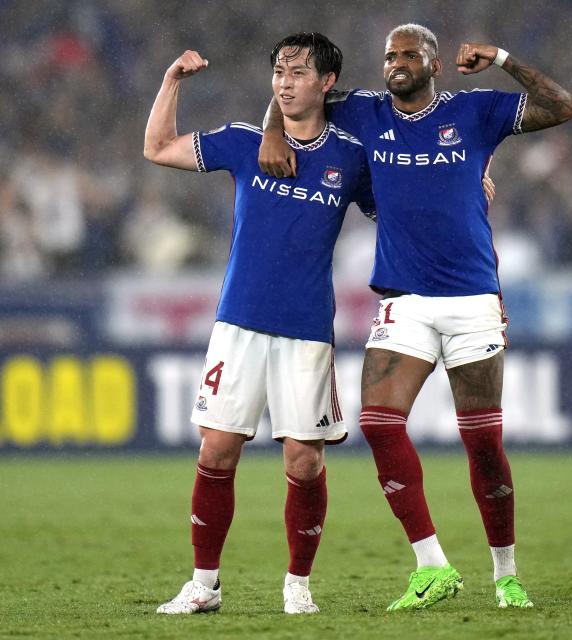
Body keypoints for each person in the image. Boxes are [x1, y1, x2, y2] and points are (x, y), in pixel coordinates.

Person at [259, 23, 572, 610]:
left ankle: (505, 573)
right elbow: (294, 94)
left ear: (433, 64)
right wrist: (272, 129)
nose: (396, 64)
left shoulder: (476, 112)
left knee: (483, 445)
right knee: (379, 422)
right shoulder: (364, 111)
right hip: (404, 298)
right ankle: (431, 564)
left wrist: (504, 57)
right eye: (389, 56)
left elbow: (562, 105)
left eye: (409, 55)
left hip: (472, 300)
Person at [143, 33, 377, 614]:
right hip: (239, 323)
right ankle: (204, 583)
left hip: (306, 331)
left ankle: (298, 586)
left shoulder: (349, 156)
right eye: (278, 71)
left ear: (326, 83)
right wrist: (172, 80)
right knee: (217, 451)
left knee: (304, 459)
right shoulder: (244, 142)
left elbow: (394, 206)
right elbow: (157, 147)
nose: (284, 81)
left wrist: (470, 181)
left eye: (298, 72)